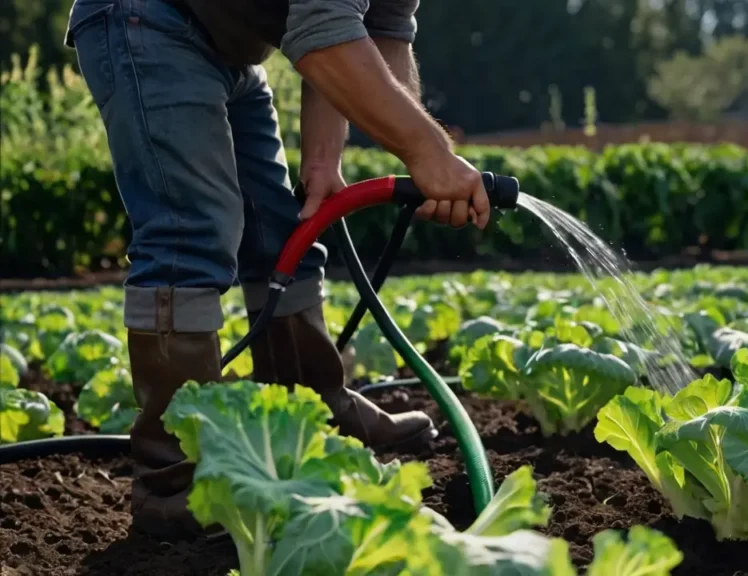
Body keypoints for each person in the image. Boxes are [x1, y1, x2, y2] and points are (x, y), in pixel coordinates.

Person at [63, 0, 491, 541]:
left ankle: (308, 412)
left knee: (286, 228)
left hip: (233, 46)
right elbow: (325, 31)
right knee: (189, 237)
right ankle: (174, 481)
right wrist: (429, 152)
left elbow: (377, 30)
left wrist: (323, 162)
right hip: (146, 20)